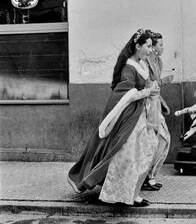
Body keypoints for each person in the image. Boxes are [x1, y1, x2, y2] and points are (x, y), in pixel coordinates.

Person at [67, 29, 160, 207]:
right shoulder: (129, 66)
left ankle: (131, 192)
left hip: (138, 113)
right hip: (128, 115)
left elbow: (141, 87)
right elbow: (126, 93)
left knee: (145, 149)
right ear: (138, 46)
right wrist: (147, 91)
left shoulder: (141, 63)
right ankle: (122, 194)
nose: (151, 50)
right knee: (127, 153)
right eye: (148, 46)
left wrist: (151, 88)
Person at [143, 30, 172, 191]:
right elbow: (149, 85)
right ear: (152, 47)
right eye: (160, 45)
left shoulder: (158, 62)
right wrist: (163, 81)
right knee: (160, 139)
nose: (163, 47)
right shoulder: (146, 62)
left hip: (155, 104)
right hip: (147, 106)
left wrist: (163, 102)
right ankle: (147, 177)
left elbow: (155, 89)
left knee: (162, 140)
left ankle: (150, 176)